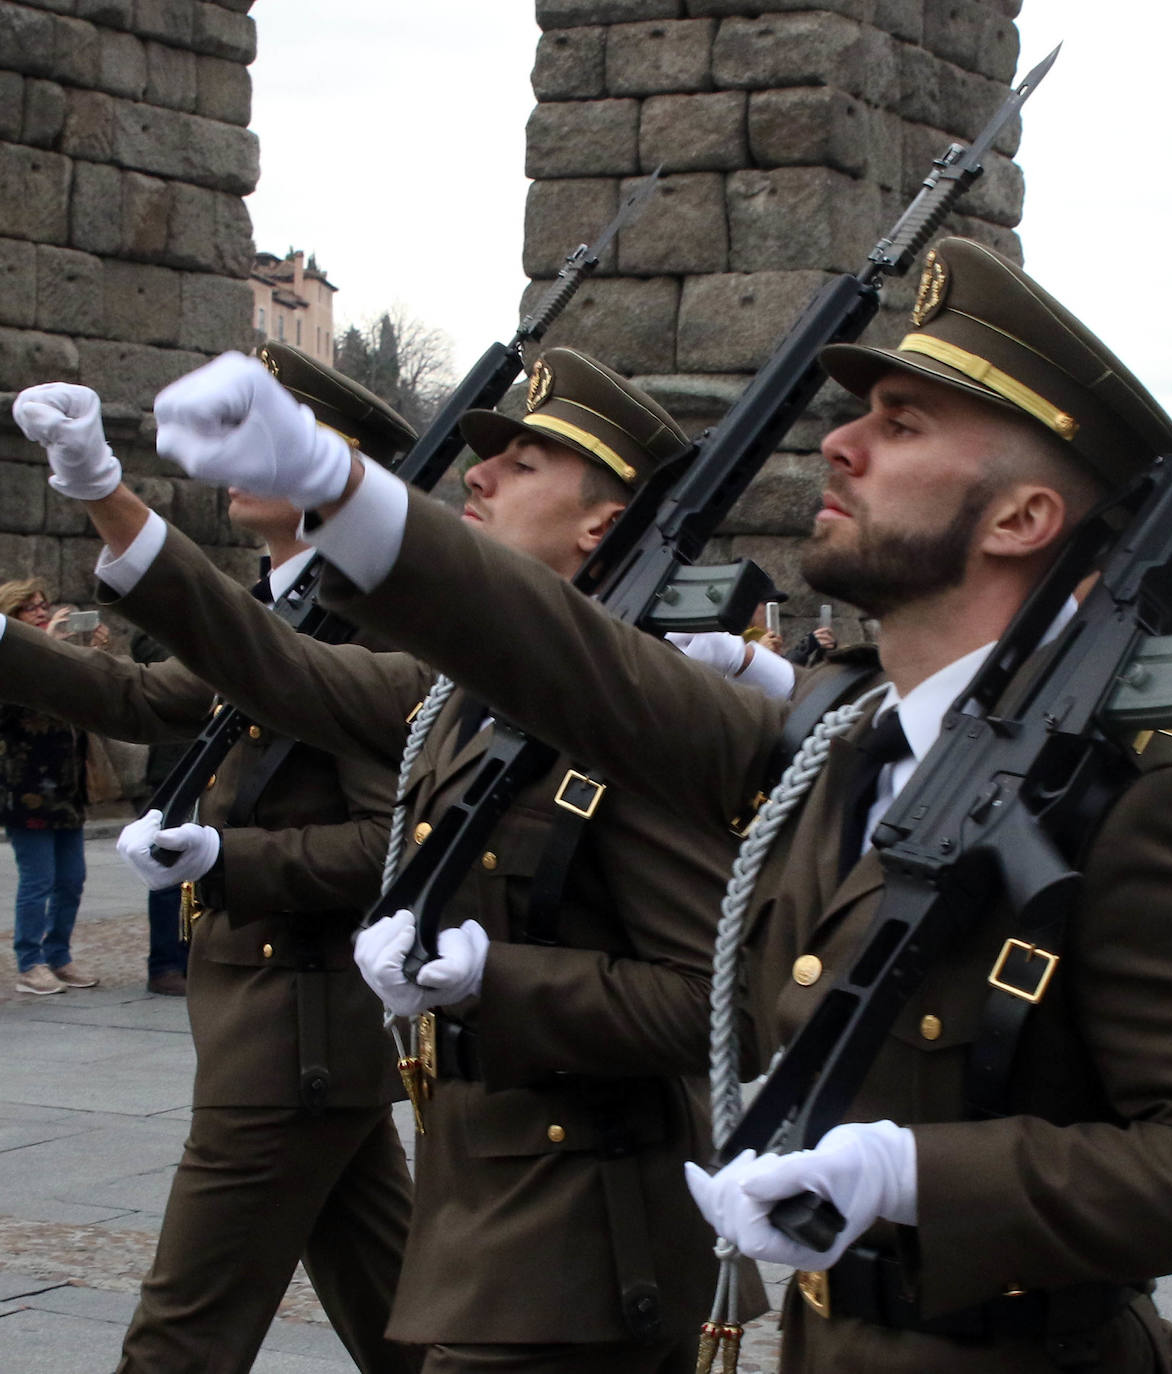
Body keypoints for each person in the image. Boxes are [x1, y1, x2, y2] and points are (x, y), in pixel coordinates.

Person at [142, 238, 1172, 1373]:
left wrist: (915, 1177)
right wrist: (336, 490)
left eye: (901, 424)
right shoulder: (838, 741)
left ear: (1023, 518)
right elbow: (566, 661)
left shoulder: (1135, 797)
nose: (838, 445)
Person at [13, 346, 764, 1374]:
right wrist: (103, 493)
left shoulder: (648, 725)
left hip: (589, 1243)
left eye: (527, 462)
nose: (478, 476)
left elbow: (715, 1004)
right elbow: (270, 667)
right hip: (486, 1222)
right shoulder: (456, 691)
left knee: (188, 1327)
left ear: (603, 522)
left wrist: (502, 982)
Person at [4, 380, 422, 1373]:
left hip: (295, 1039)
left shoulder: (373, 631)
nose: (237, 459)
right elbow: (143, 695)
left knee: (180, 1341)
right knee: (407, 1326)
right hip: (283, 1032)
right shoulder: (279, 607)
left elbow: (391, 846)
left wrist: (233, 857)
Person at [0, 579, 98, 994]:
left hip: (66, 786)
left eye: (43, 605)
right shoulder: (10, 660)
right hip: (26, 789)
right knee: (37, 879)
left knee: (72, 877)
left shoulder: (59, 654)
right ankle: (29, 962)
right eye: (30, 608)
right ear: (12, 616)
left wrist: (92, 654)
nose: (41, 613)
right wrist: (50, 645)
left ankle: (58, 954)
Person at [127, 629, 189, 996]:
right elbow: (152, 654)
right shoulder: (158, 627)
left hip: (206, 763)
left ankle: (188, 957)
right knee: (166, 863)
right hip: (173, 767)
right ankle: (165, 964)